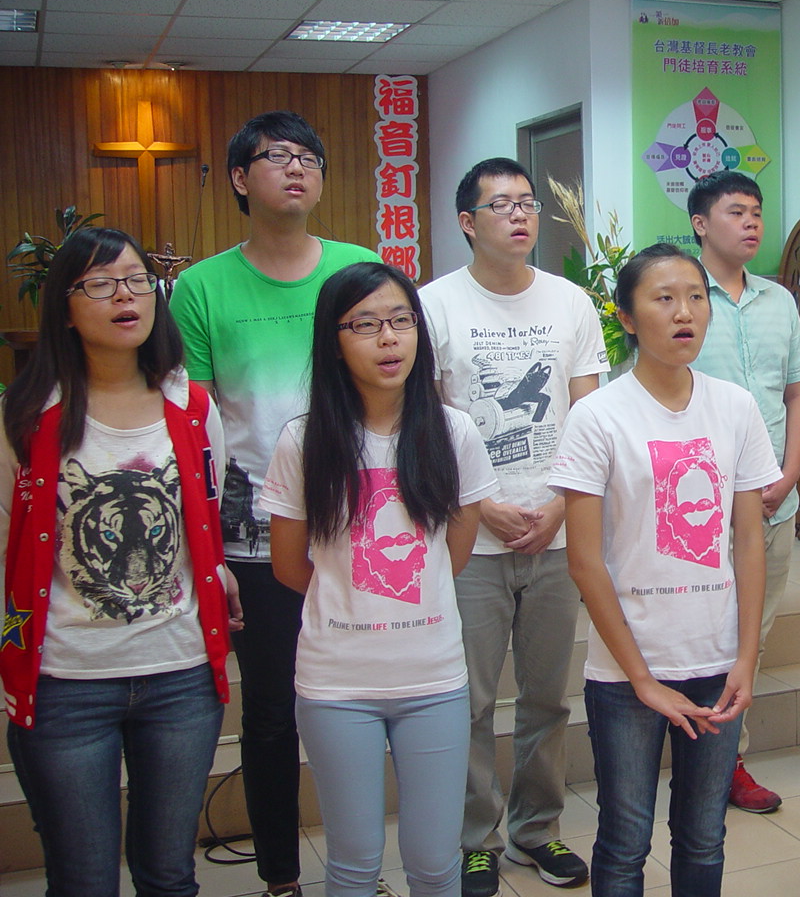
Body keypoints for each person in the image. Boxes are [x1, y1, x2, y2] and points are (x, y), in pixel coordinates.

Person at [170, 110, 381, 897]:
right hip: (255, 536)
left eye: (309, 157)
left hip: (361, 525)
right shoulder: (202, 287)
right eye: (276, 157)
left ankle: (357, 869)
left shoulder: (359, 268)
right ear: (239, 178)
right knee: (268, 713)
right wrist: (206, 550)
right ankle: (281, 878)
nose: (296, 168)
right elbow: (192, 425)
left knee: (360, 701)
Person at [1, 227, 242, 897]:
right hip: (66, 680)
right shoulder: (26, 416)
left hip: (180, 675)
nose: (125, 296)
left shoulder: (191, 407)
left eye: (137, 281)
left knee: (169, 873)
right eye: (101, 284)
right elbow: (9, 541)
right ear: (65, 307)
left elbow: (203, 514)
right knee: (82, 880)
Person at [260, 262, 498, 897]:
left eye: (400, 320)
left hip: (434, 679)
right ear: (333, 341)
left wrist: (403, 604)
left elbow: (454, 551)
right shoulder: (303, 441)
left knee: (436, 862)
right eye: (364, 324)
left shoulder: (453, 432)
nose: (388, 338)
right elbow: (289, 566)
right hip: (337, 684)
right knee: (354, 863)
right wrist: (355, 604)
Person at [548, 244, 780, 896]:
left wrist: (745, 659)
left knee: (704, 835)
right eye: (664, 298)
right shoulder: (598, 416)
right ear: (625, 317)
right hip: (628, 671)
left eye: (696, 297)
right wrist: (643, 679)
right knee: (625, 840)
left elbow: (749, 542)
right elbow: (584, 561)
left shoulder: (735, 407)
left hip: (716, 663)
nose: (685, 312)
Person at [419, 157, 606, 897]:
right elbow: (425, 423)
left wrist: (561, 502)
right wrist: (478, 504)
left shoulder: (570, 302)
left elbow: (590, 416)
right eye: (501, 205)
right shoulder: (433, 305)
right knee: (467, 701)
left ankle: (537, 830)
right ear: (468, 222)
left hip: (556, 531)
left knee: (547, 698)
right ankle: (475, 840)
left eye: (527, 202)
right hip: (472, 537)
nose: (520, 215)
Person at [685, 171, 800, 814]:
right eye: (736, 212)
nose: (752, 223)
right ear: (701, 224)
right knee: (699, 630)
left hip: (772, 500)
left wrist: (788, 473)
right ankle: (690, 746)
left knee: (750, 637)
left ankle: (729, 759)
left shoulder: (779, 301)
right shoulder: (679, 299)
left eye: (757, 212)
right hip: (698, 508)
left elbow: (798, 391)